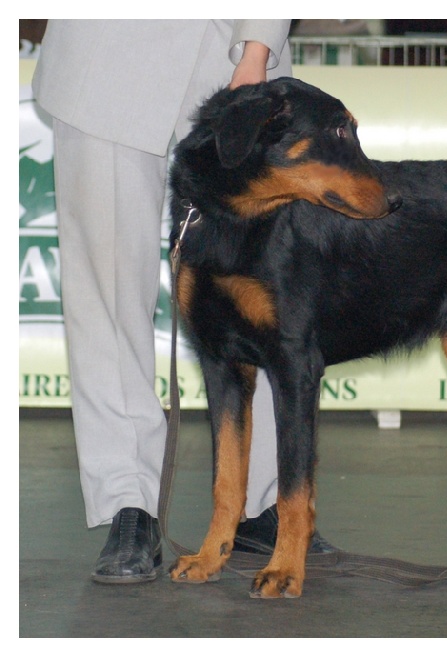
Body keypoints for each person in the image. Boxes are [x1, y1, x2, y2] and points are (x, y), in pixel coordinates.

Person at [32, 19, 333, 584]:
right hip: (105, 53)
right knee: (106, 290)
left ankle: (263, 500)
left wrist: (258, 49)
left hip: (243, 54)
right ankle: (128, 500)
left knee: (270, 295)